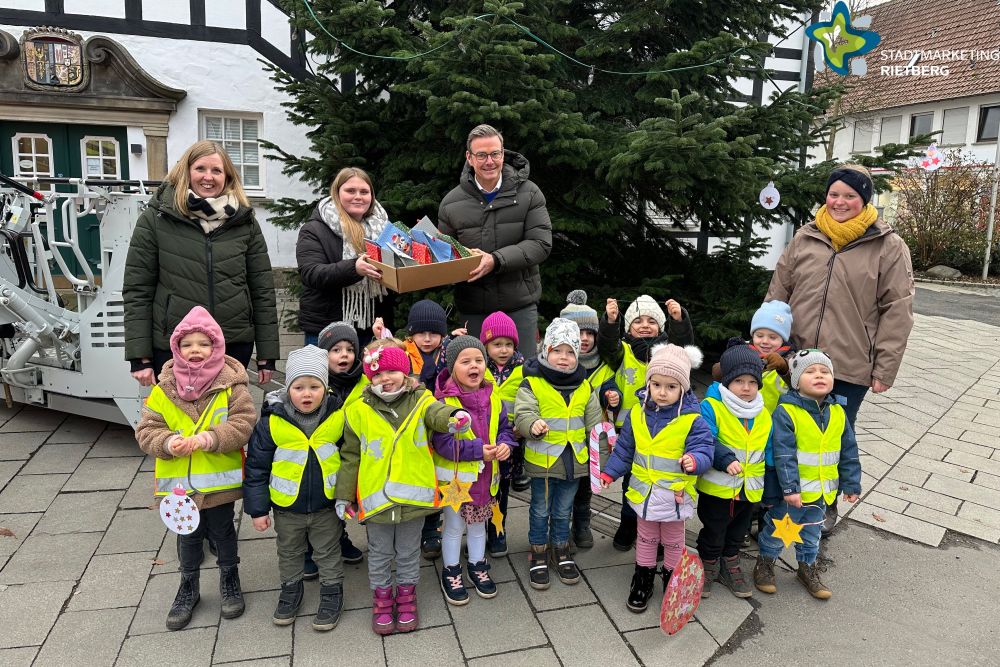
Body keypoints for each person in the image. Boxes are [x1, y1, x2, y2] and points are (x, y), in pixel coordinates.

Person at [767, 163, 913, 533]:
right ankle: (780, 502)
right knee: (786, 432)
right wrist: (769, 340)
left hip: (846, 365)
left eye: (850, 195)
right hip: (794, 359)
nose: (840, 202)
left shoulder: (888, 246)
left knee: (833, 437)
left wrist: (884, 369)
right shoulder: (806, 237)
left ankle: (824, 504)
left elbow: (897, 310)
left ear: (864, 199)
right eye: (834, 193)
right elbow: (778, 292)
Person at [135, 306, 256, 631]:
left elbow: (244, 423)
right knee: (186, 537)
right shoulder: (164, 389)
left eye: (204, 344)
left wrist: (211, 438)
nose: (196, 351)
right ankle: (188, 586)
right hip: (179, 487)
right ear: (177, 349)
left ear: (216, 347)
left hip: (218, 483)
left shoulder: (231, 385)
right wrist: (167, 443)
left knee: (223, 531)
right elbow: (146, 429)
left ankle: (230, 578)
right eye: (188, 345)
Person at [337, 340, 471, 635]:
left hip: (413, 500)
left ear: (405, 372)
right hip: (377, 501)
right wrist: (343, 495)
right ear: (370, 379)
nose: (385, 379)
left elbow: (436, 413)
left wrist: (453, 419)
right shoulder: (358, 410)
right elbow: (350, 456)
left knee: (409, 552)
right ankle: (383, 600)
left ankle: (407, 597)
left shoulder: (421, 400)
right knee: (380, 553)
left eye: (391, 372)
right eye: (377, 375)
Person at [124, 140, 278, 385]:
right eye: (200, 169)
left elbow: (262, 290)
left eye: (217, 170)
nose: (208, 177)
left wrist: (267, 354)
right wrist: (139, 356)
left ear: (227, 176)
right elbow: (138, 290)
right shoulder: (156, 218)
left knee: (229, 419)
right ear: (186, 171)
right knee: (176, 421)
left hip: (233, 342)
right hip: (175, 343)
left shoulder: (244, 222)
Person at [600, 344, 713, 614]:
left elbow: (705, 450)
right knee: (647, 538)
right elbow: (626, 448)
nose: (662, 392)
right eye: (657, 384)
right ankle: (643, 578)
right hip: (644, 493)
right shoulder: (636, 414)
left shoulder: (692, 420)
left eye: (671, 387)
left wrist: (694, 460)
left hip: (674, 495)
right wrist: (609, 471)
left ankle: (673, 581)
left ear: (683, 389)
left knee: (674, 541)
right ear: (648, 384)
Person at [243, 346, 346, 630]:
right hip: (287, 507)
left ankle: (332, 591)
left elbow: (350, 459)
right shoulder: (271, 423)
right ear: (288, 388)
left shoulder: (337, 417)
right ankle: (291, 589)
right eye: (299, 387)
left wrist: (348, 496)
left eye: (315, 386)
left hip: (327, 503)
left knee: (328, 551)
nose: (307, 394)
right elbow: (256, 469)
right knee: (289, 551)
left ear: (325, 389)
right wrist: (258, 510)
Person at [753, 349, 862, 600]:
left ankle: (807, 568)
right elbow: (783, 454)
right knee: (779, 530)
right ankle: (765, 563)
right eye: (810, 371)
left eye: (825, 371)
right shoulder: (787, 412)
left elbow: (849, 450)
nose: (819, 375)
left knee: (812, 533)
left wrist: (852, 483)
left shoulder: (838, 413)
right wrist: (790, 489)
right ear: (796, 380)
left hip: (821, 493)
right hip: (792, 494)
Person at [437, 124, 552, 358]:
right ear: (469, 158)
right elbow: (444, 258)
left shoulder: (529, 193)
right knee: (474, 381)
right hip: (474, 308)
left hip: (519, 305)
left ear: (503, 153)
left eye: (495, 154)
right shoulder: (450, 203)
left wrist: (495, 260)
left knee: (524, 379)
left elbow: (541, 244)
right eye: (481, 155)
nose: (489, 161)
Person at [598, 294, 694, 551]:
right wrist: (610, 321)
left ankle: (660, 533)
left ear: (661, 327)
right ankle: (629, 525)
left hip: (664, 433)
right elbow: (607, 345)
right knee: (633, 483)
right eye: (637, 321)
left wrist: (679, 321)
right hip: (630, 431)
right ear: (628, 328)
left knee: (662, 483)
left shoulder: (667, 352)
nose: (644, 325)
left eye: (652, 320)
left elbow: (684, 350)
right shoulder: (623, 352)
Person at [513, 318, 602, 591]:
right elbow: (523, 413)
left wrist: (603, 460)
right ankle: (538, 551)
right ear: (545, 350)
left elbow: (595, 425)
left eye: (570, 352)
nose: (564, 358)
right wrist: (532, 425)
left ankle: (561, 549)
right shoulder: (533, 383)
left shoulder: (585, 386)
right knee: (540, 509)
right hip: (544, 461)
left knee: (563, 511)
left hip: (574, 461)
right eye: (557, 350)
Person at [432, 336, 517, 604]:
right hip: (456, 480)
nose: (474, 366)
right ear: (452, 366)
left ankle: (478, 565)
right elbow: (442, 443)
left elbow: (504, 428)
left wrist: (505, 444)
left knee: (479, 525)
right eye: (465, 361)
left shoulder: (494, 396)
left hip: (486, 478)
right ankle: (451, 570)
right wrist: (477, 451)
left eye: (479, 360)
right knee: (454, 527)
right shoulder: (445, 403)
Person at [696, 340, 772, 599]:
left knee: (738, 532)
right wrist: (724, 457)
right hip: (718, 487)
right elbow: (705, 438)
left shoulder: (763, 414)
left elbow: (768, 450)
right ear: (727, 381)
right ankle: (707, 564)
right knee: (714, 530)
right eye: (739, 381)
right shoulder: (713, 407)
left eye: (752, 382)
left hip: (749, 488)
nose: (746, 388)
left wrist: (774, 482)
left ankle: (730, 563)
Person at [296, 167, 396, 347]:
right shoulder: (314, 229)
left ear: (371, 196)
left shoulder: (384, 229)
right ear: (337, 193)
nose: (358, 196)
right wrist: (354, 269)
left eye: (364, 192)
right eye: (350, 191)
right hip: (327, 328)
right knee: (324, 376)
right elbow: (311, 273)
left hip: (372, 326)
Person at [301, 322, 367, 575]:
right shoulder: (315, 382)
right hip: (320, 454)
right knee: (316, 504)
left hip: (350, 454)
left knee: (341, 499)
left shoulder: (364, 381)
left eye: (349, 349)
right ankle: (307, 550)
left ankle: (339, 539)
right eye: (336, 349)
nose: (344, 355)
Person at [559, 289, 608, 550]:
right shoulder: (558, 363)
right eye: (580, 333)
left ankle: (582, 523)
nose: (586, 339)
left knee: (587, 485)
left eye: (590, 333)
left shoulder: (604, 362)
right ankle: (561, 526)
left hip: (594, 436)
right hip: (565, 435)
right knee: (565, 483)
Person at [478, 311, 526, 557]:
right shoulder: (478, 366)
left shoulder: (523, 369)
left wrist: (521, 425)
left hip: (510, 437)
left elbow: (529, 400)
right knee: (479, 487)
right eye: (497, 344)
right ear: (486, 345)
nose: (503, 350)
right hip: (482, 437)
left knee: (501, 488)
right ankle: (477, 532)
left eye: (509, 344)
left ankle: (498, 529)